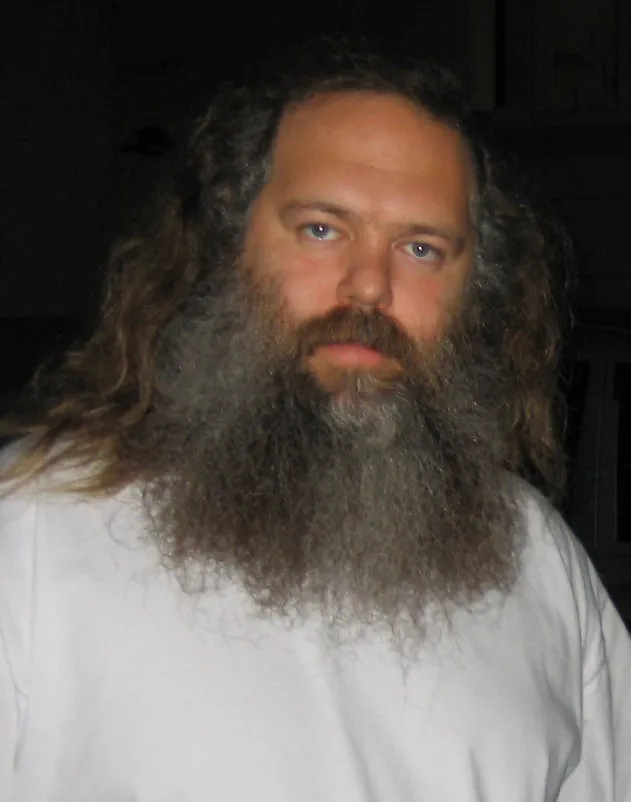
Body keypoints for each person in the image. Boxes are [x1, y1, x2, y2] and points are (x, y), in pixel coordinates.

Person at [1, 39, 629, 802]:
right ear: (225, 247)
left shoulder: (537, 559)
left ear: (477, 291)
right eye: (321, 230)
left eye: (422, 248)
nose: (368, 287)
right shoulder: (33, 533)